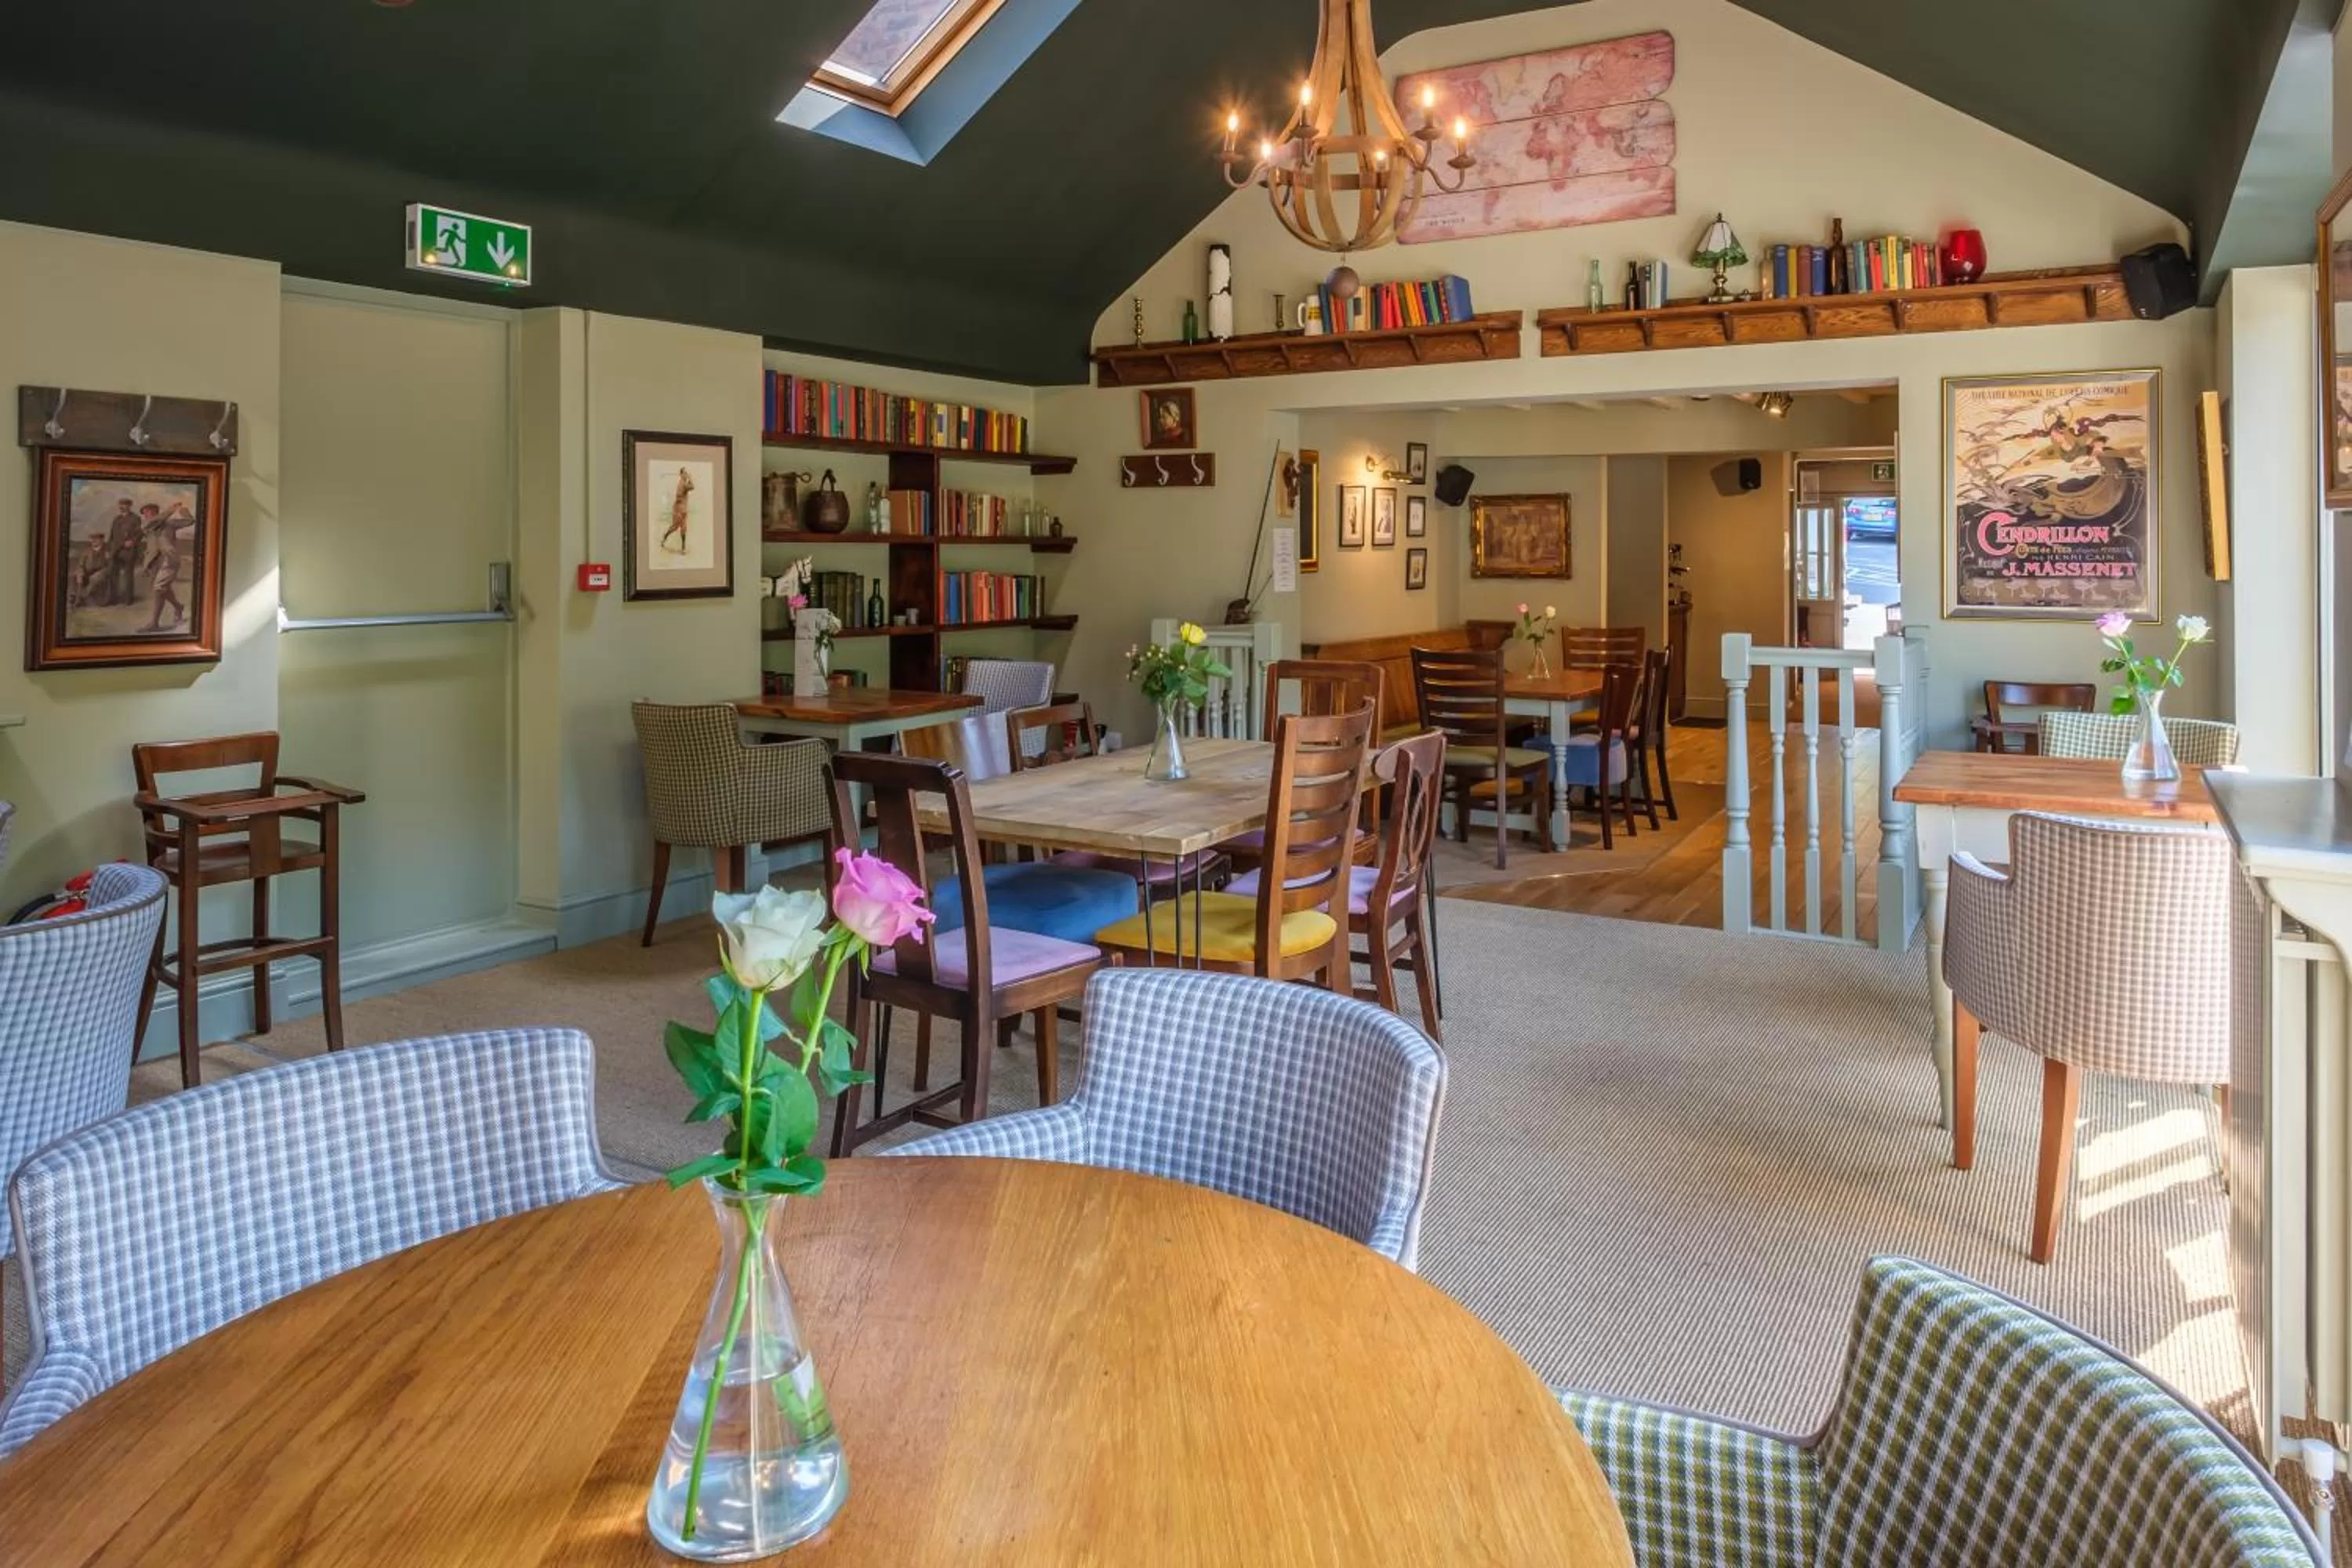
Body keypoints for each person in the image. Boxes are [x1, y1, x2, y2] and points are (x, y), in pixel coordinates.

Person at [141, 501, 199, 632]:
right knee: (163, 590)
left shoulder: (170, 524)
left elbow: (190, 521)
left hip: (169, 560)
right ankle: (178, 607)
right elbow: (156, 522)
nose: (145, 515)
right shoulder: (148, 525)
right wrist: (171, 510)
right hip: (154, 563)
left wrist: (183, 510)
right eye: (144, 513)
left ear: (155, 511)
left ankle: (154, 623)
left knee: (159, 589)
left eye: (148, 512)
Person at [100, 497, 143, 606]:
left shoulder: (135, 518)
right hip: (115, 551)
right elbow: (112, 536)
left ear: (130, 506)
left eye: (124, 504)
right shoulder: (116, 519)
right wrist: (108, 550)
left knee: (128, 575)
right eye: (120, 504)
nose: (122, 507)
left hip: (128, 551)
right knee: (113, 574)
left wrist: (132, 541)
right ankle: (112, 598)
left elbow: (139, 534)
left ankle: (128, 599)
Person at [660, 466, 693, 555]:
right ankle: (665, 537)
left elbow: (690, 487)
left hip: (684, 510)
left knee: (684, 528)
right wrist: (690, 478)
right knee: (675, 527)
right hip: (679, 509)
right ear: (681, 474)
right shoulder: (682, 484)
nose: (686, 475)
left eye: (687, 473)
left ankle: (683, 548)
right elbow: (692, 487)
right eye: (685, 473)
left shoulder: (684, 483)